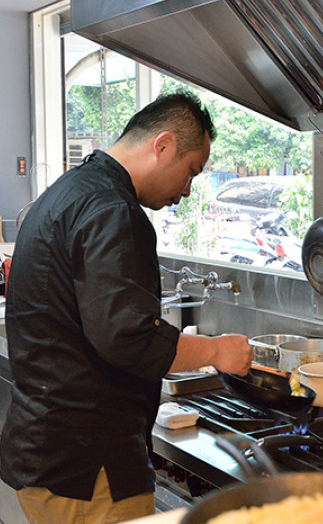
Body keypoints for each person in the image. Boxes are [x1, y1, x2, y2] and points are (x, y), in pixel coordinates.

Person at [0, 92, 254, 524]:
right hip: (89, 469)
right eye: (191, 172)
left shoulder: (68, 192)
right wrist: (216, 350)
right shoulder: (112, 209)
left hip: (48, 453)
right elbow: (128, 337)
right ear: (163, 146)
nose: (187, 191)